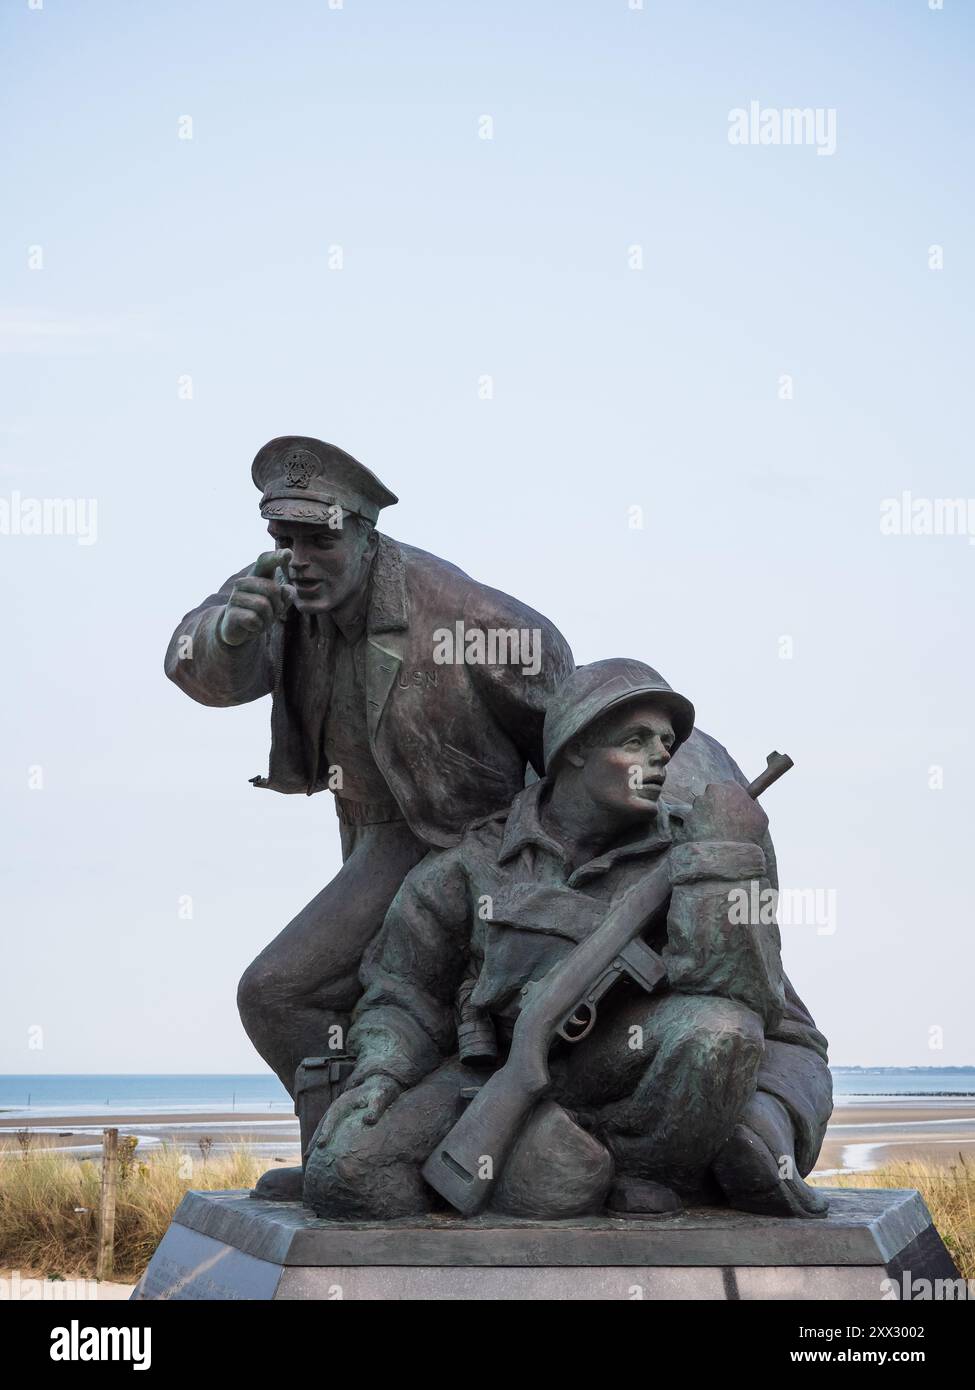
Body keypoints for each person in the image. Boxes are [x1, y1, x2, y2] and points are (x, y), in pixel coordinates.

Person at [164, 436, 574, 1197]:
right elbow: (189, 662)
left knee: (279, 990)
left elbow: (569, 718)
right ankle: (347, 1163)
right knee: (364, 998)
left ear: (362, 531)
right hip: (366, 826)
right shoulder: (280, 586)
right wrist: (229, 633)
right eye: (282, 539)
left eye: (319, 539)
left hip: (454, 839)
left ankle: (352, 1167)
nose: (298, 557)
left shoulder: (459, 614)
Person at [303, 660, 832, 1221]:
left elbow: (733, 989)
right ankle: (546, 1162)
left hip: (639, 1059)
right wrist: (382, 1070)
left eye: (666, 744)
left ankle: (633, 1170)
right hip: (504, 1066)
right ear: (575, 748)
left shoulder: (694, 846)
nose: (660, 758)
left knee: (719, 1033)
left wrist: (721, 858)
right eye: (635, 741)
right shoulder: (473, 862)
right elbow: (401, 992)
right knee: (344, 1176)